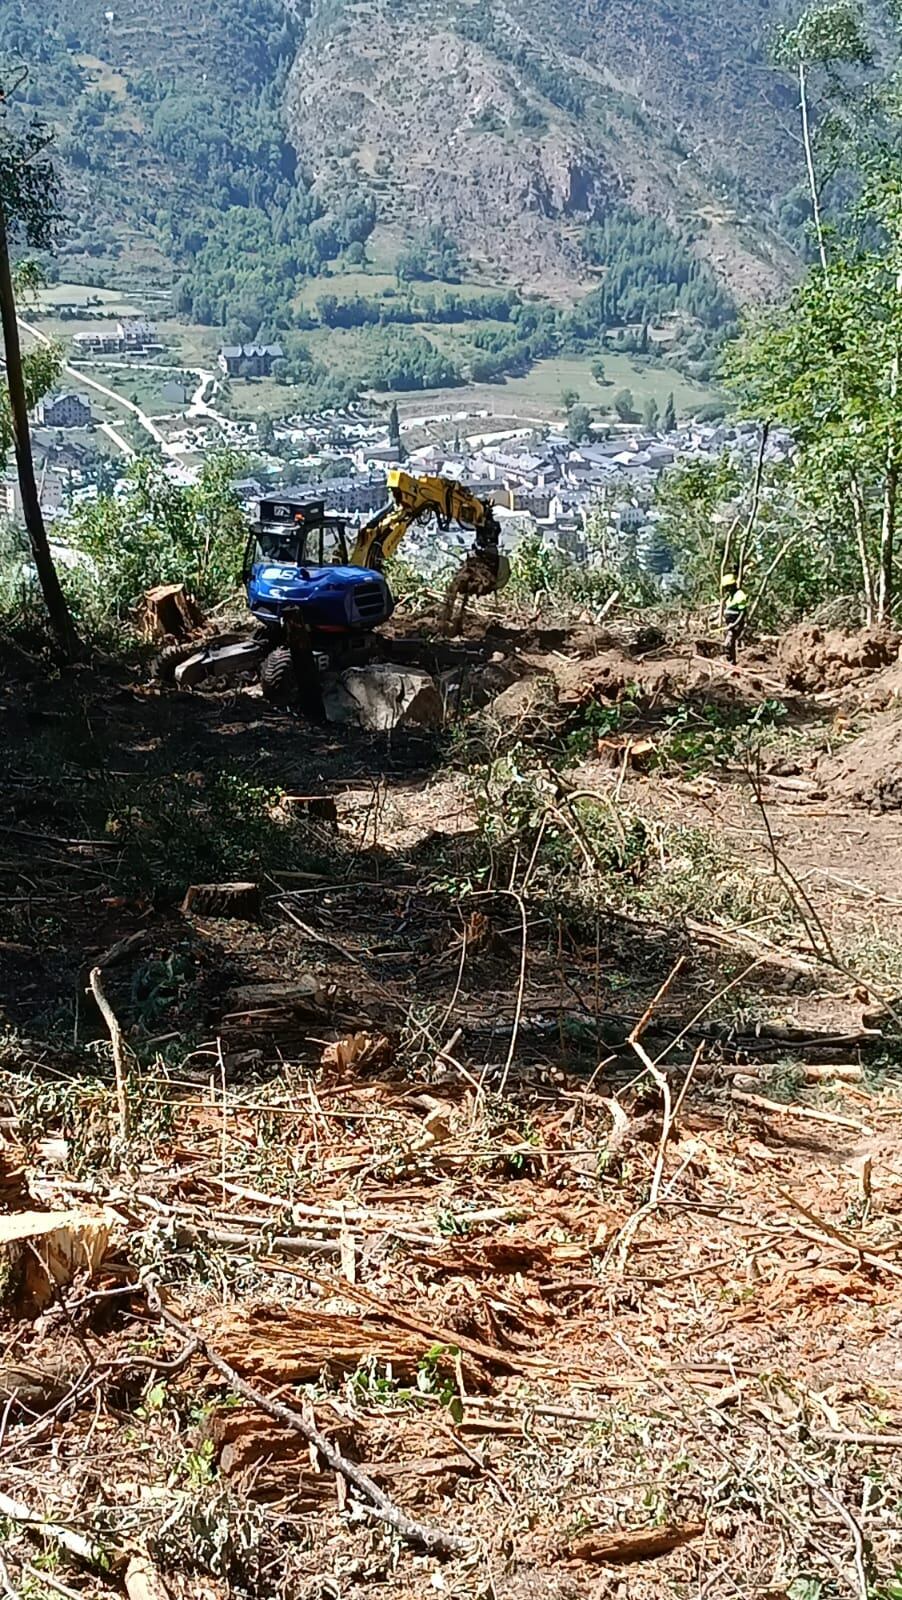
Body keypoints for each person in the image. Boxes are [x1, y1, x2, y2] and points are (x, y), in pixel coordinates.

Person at [721, 573, 748, 664]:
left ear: (732, 586)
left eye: (727, 587)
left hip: (736, 624)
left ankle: (731, 663)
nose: (726, 590)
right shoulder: (730, 596)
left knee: (728, 644)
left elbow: (743, 613)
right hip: (731, 624)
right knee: (730, 644)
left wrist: (735, 624)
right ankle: (732, 663)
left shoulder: (739, 595)